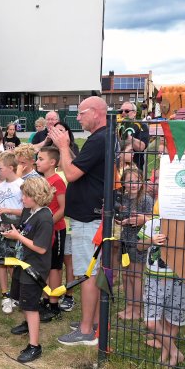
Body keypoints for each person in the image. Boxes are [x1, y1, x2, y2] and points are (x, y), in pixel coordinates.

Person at [49, 96, 108, 346]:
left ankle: (86, 330)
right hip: (91, 216)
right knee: (92, 272)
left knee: (87, 274)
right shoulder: (101, 138)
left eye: (82, 113)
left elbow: (71, 173)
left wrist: (63, 146)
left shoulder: (98, 139)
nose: (78, 118)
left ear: (95, 112)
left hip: (88, 218)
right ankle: (93, 323)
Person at [4, 177, 55, 363]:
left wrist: (18, 237)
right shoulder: (29, 211)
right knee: (22, 299)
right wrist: (12, 232)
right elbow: (23, 229)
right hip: (22, 263)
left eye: (25, 195)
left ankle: (34, 346)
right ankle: (28, 324)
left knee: (31, 305)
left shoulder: (45, 218)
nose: (22, 199)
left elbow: (41, 248)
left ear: (37, 196)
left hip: (34, 268)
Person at [139, 216, 185, 366]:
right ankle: (175, 352)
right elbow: (139, 246)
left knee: (173, 320)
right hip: (154, 278)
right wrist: (150, 241)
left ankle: (166, 353)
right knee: (151, 322)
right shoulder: (151, 223)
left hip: (181, 277)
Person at [115, 167, 153, 320]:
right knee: (126, 275)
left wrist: (141, 219)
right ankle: (129, 307)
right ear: (123, 182)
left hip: (139, 243)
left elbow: (153, 219)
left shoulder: (145, 199)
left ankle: (138, 310)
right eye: (130, 181)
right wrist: (120, 221)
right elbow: (119, 216)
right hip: (125, 241)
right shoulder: (122, 199)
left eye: (137, 181)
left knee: (136, 276)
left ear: (142, 182)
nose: (133, 184)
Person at [34, 146, 67, 322]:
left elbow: (63, 208)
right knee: (44, 265)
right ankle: (46, 299)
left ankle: (54, 305)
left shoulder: (57, 181)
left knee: (54, 267)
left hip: (56, 230)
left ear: (52, 162)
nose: (37, 162)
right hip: (44, 231)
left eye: (41, 159)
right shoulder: (40, 181)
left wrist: (47, 224)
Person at [0, 152, 23, 313]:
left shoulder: (21, 185)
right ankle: (5, 294)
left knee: (14, 263)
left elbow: (27, 210)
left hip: (15, 229)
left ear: (10, 168)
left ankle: (17, 294)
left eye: (0, 168)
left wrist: (8, 210)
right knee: (0, 261)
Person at [118, 102, 149, 171]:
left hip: (135, 167)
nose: (123, 113)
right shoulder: (116, 124)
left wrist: (128, 137)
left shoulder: (141, 125)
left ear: (134, 113)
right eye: (121, 111)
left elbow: (141, 147)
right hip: (117, 165)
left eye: (127, 111)